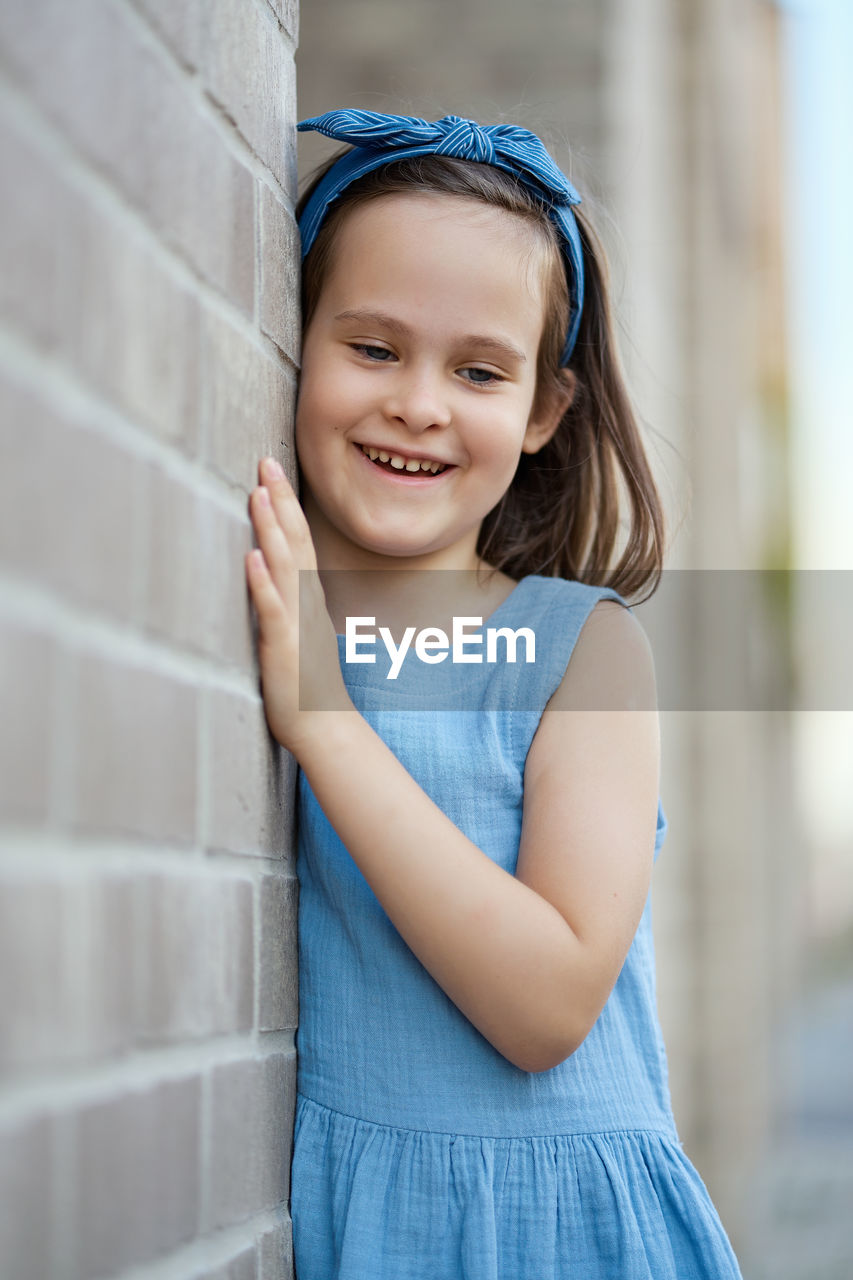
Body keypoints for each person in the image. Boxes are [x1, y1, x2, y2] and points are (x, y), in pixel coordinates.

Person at [244, 110, 743, 1279]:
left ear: (541, 413)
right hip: (357, 1216)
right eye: (372, 347)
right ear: (294, 344)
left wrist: (322, 713)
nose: (420, 402)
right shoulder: (281, 609)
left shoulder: (582, 650)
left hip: (557, 1229)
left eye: (477, 370)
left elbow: (550, 1001)